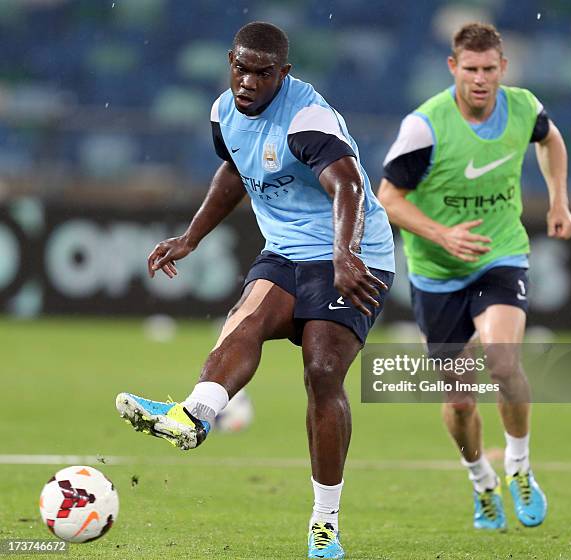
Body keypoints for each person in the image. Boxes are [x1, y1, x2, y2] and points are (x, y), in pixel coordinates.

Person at [115, 21, 394, 559]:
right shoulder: (224, 113)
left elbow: (350, 186)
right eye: (240, 69)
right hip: (287, 251)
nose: (248, 82)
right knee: (247, 320)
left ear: (283, 73)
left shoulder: (307, 119)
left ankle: (324, 524)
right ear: (230, 63)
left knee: (322, 369)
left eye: (262, 73)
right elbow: (234, 172)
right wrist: (191, 237)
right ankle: (194, 414)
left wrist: (344, 254)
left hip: (355, 254)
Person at [378, 22, 571, 530]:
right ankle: (481, 480)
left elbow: (551, 141)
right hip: (437, 272)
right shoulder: (424, 127)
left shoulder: (524, 107)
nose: (481, 79)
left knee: (503, 361)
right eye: (471, 69)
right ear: (453, 68)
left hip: (499, 254)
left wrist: (558, 200)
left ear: (503, 68)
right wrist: (442, 235)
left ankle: (519, 467)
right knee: (460, 399)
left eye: (490, 69)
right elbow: (388, 200)